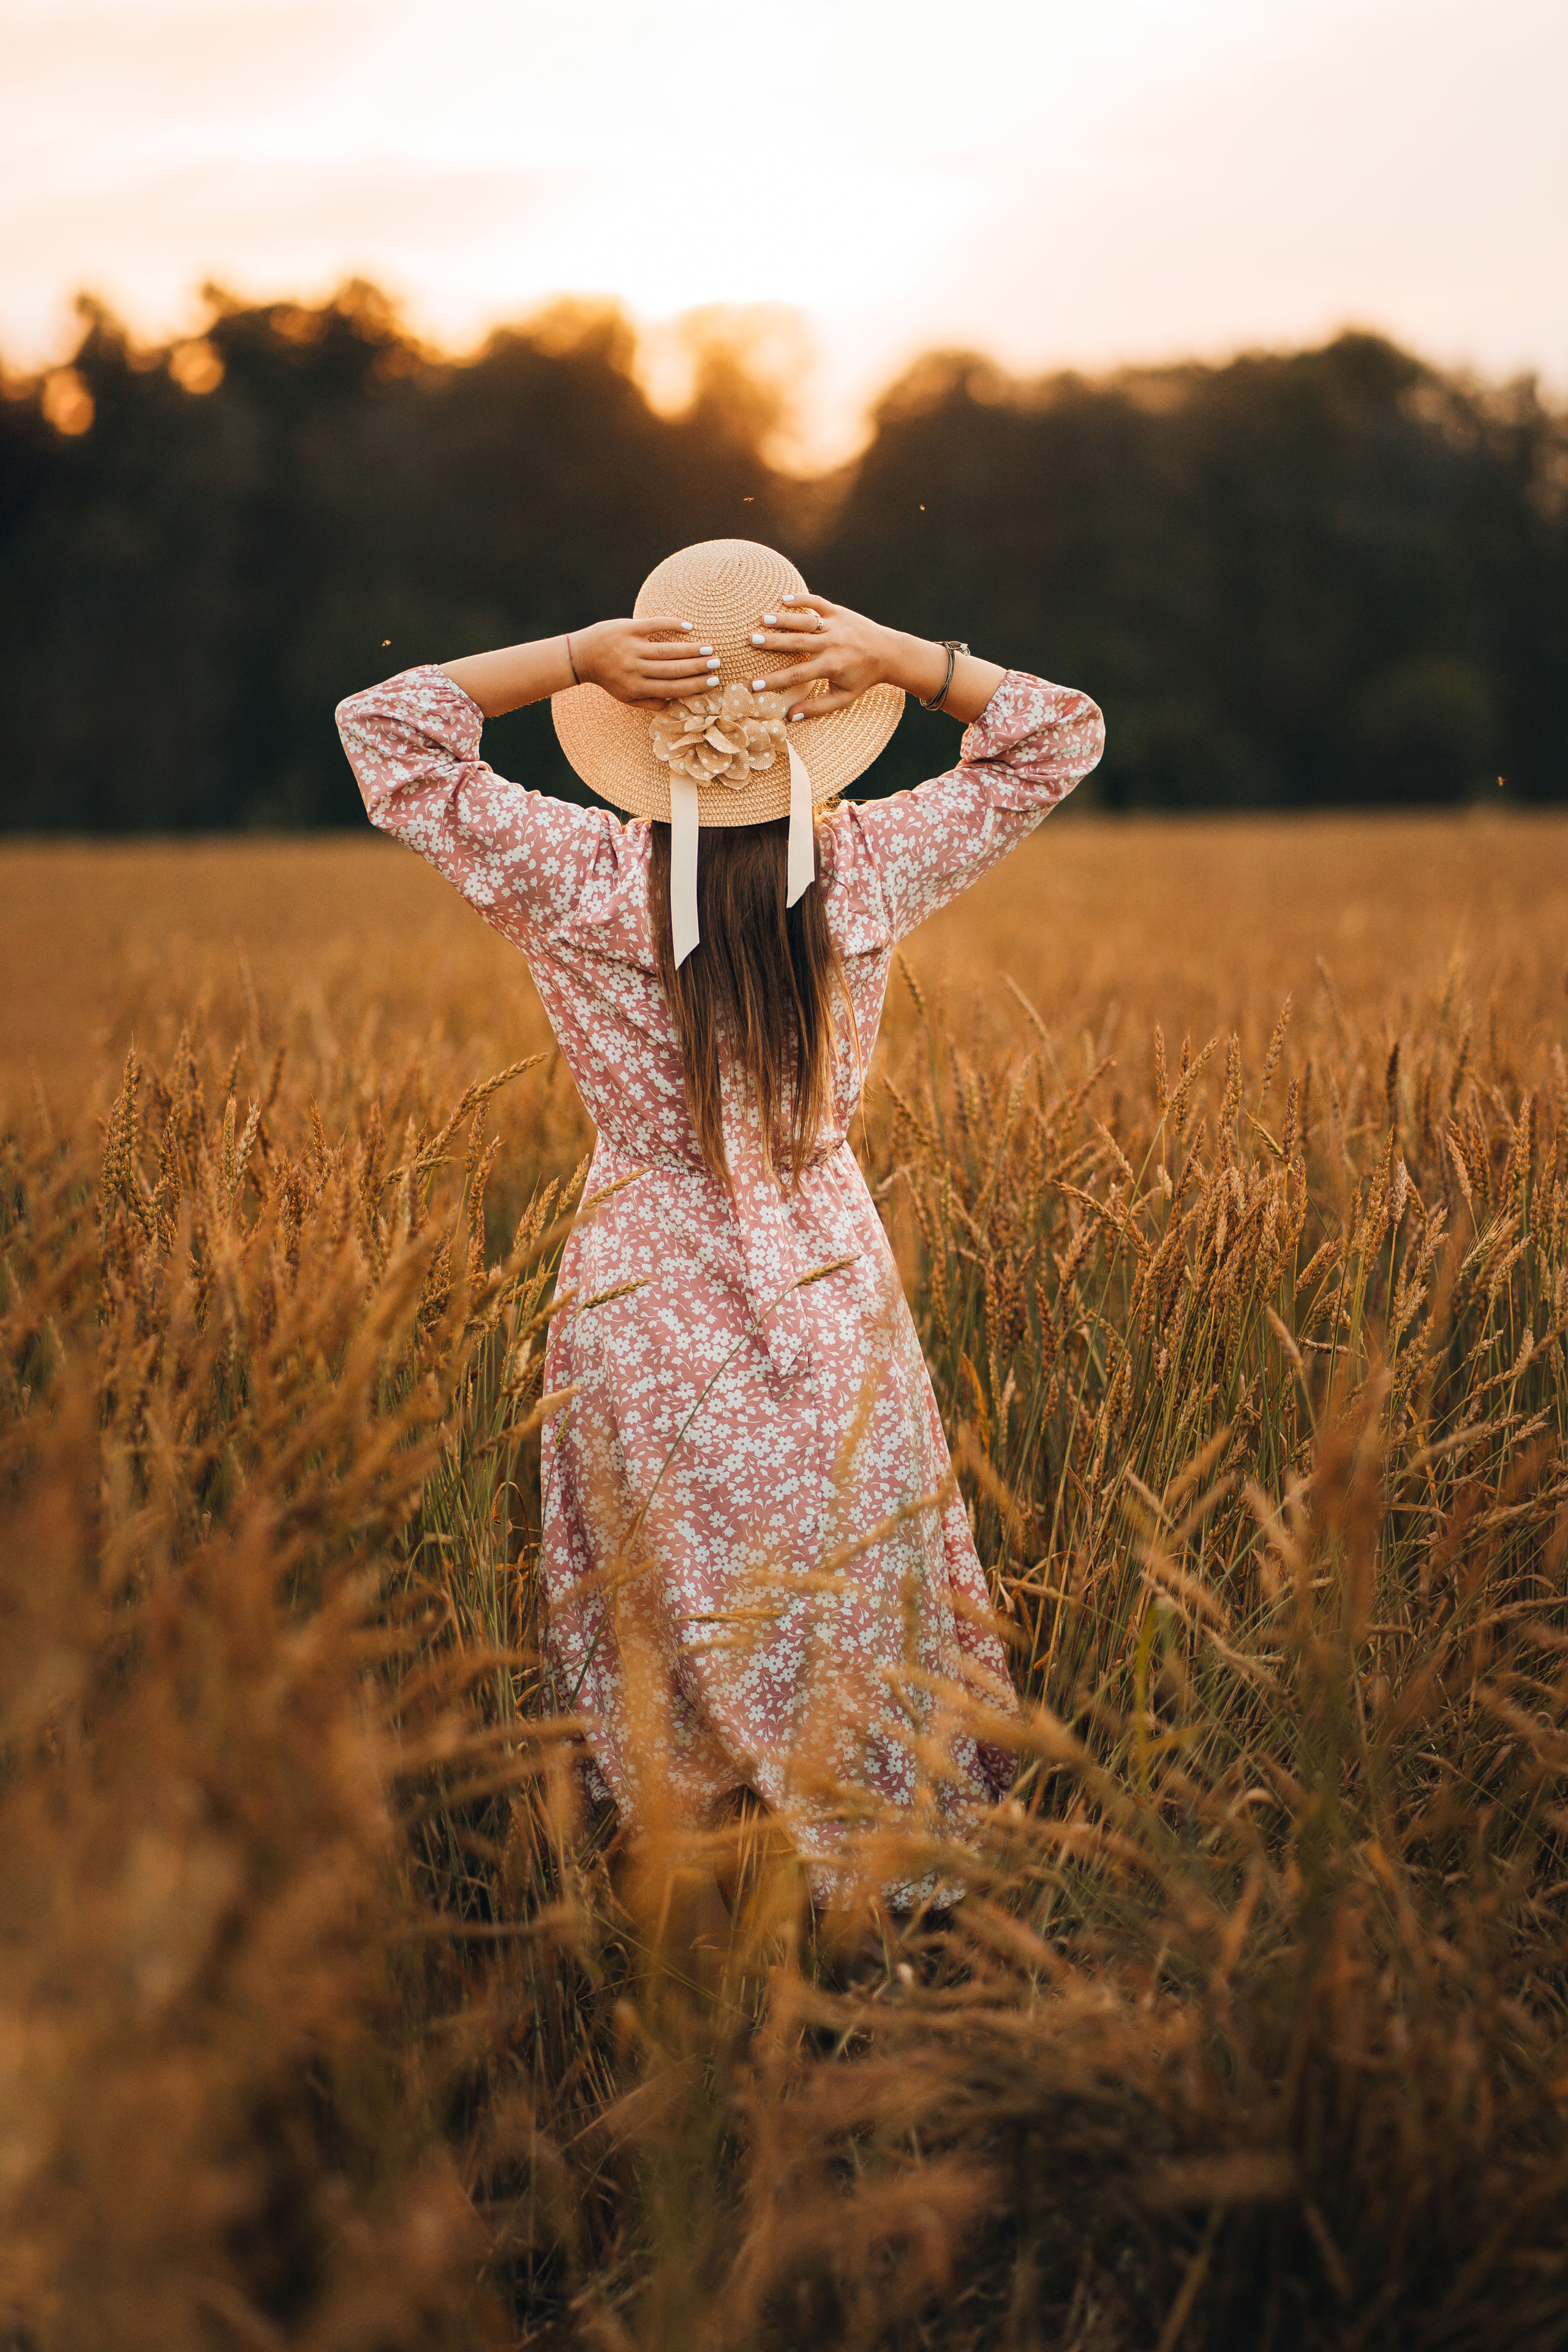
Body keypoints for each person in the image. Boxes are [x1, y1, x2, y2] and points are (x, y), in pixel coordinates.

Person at [336, 537, 1104, 1923]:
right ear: (819, 723)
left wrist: (572, 657)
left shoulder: (577, 871)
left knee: (662, 1602)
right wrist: (902, 659)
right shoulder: (864, 864)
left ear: (636, 735)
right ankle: (873, 1894)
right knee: (846, 1581)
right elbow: (1057, 736)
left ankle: (699, 1902)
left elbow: (385, 731)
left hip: (644, 1290)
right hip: (826, 1281)